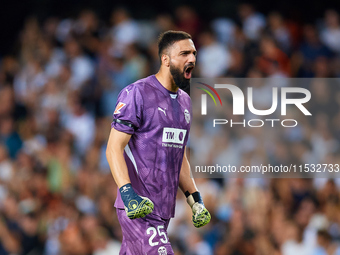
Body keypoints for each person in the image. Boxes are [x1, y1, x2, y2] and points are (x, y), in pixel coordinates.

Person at [106, 30, 211, 255]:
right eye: (184, 53)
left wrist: (194, 198)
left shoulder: (185, 102)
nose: (191, 59)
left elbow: (178, 154)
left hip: (164, 210)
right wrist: (127, 193)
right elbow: (114, 147)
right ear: (165, 59)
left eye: (193, 53)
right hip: (138, 207)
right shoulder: (137, 93)